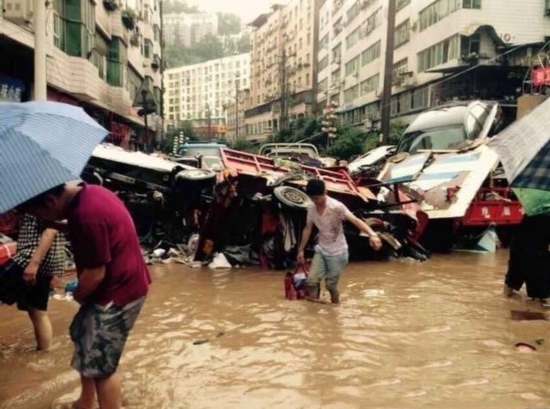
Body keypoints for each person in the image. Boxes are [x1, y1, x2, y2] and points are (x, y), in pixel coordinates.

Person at [20, 183, 151, 409]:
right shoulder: (91, 193)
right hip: (122, 285)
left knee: (101, 366)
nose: (39, 218)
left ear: (51, 201)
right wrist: (54, 223)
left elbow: (95, 274)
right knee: (83, 338)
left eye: (38, 213)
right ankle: (85, 402)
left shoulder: (86, 216)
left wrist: (78, 295)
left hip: (116, 294)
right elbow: (87, 229)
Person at [297, 179, 383, 304]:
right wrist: (300, 250)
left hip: (338, 252)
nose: (316, 202)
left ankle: (335, 308)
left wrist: (372, 234)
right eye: (312, 198)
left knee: (331, 285)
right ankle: (313, 312)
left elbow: (355, 220)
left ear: (325, 192)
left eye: (317, 198)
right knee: (311, 281)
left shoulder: (336, 206)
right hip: (321, 249)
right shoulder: (311, 208)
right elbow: (308, 228)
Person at [0, 213, 65, 351]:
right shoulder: (44, 199)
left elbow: (51, 230)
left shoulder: (41, 201)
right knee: (36, 310)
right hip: (44, 260)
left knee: (37, 311)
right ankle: (45, 353)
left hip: (30, 256)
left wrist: (34, 263)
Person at [504, 215, 550, 301]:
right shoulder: (546, 217)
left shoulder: (531, 212)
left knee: (511, 282)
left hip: (519, 248)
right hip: (536, 254)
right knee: (539, 292)